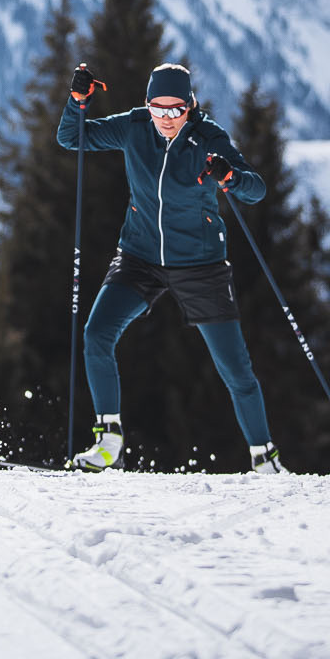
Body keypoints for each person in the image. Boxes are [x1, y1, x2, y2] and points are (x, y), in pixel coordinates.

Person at [58, 60, 280, 473]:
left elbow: (256, 188)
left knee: (235, 369)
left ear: (190, 106)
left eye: (175, 110)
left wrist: (229, 175)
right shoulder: (135, 126)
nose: (165, 120)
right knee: (97, 333)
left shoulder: (208, 138)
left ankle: (264, 458)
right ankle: (109, 441)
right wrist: (76, 101)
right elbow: (72, 137)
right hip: (139, 256)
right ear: (147, 105)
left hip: (199, 264)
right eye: (157, 109)